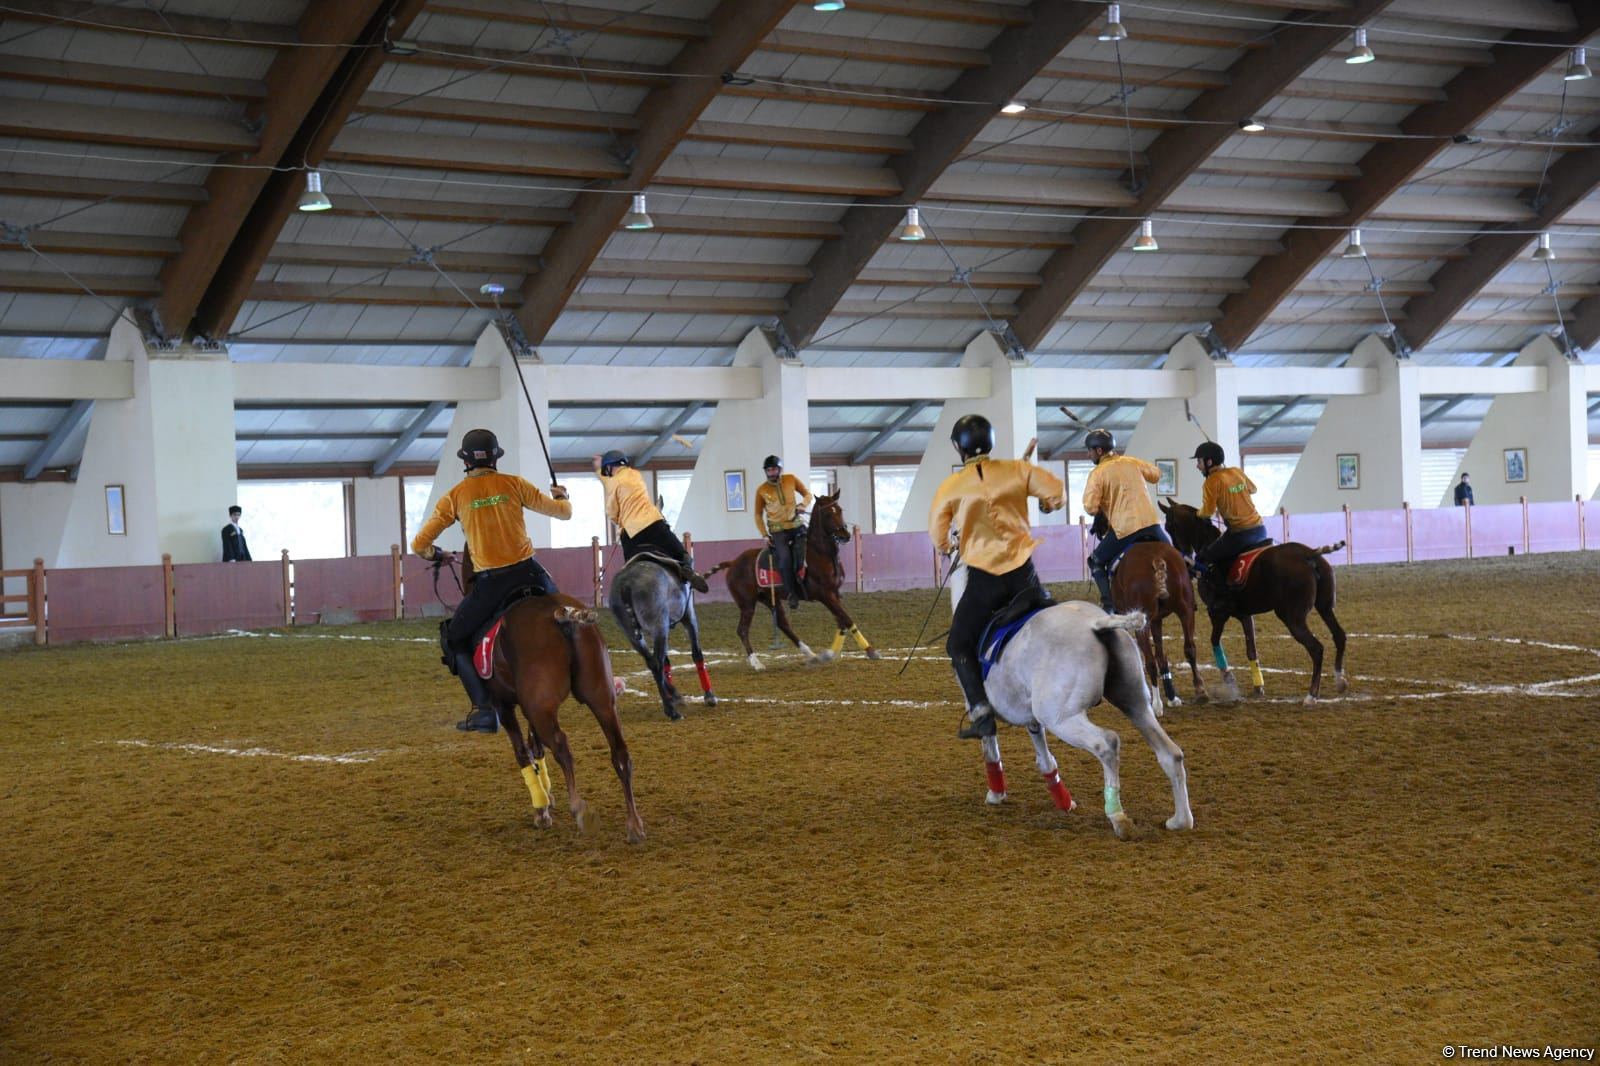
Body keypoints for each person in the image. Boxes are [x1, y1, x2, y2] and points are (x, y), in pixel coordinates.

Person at [412, 428, 572, 734]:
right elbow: (563, 514)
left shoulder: (456, 496)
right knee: (569, 618)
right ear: (496, 458)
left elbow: (419, 544)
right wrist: (562, 496)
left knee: (453, 638)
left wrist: (437, 554)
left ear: (466, 462)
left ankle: (484, 710)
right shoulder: (514, 484)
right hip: (530, 571)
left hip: (492, 584)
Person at [929, 414, 1065, 740]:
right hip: (1025, 576)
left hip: (984, 581)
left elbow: (938, 532)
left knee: (958, 643)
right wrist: (1047, 504)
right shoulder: (1017, 470)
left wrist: (948, 546)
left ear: (958, 448)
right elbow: (1056, 493)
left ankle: (980, 711)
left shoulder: (951, 486)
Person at [594, 450, 708, 592]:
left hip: (631, 533)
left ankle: (629, 596)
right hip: (654, 524)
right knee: (681, 553)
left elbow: (612, 511)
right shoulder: (636, 475)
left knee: (629, 571)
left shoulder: (612, 482)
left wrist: (619, 520)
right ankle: (689, 572)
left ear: (609, 467)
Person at [1082, 429, 1169, 612]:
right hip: (1152, 524)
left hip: (1125, 530)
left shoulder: (1097, 473)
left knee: (1096, 561)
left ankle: (1108, 605)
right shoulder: (1132, 461)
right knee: (1174, 554)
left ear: (1099, 451)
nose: (1088, 454)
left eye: (1090, 450)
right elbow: (1156, 474)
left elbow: (1090, 508)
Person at [1190, 442, 1271, 593]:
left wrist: (1197, 513)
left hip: (1240, 535)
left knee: (1203, 557)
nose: (1197, 466)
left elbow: (1207, 512)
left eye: (1199, 461)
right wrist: (1234, 486)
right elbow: (1253, 489)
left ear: (1209, 462)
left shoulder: (1211, 482)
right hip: (1261, 529)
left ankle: (1222, 597)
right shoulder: (1236, 471)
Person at [753, 455, 812, 609]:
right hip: (778, 531)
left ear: (779, 469)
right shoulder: (761, 490)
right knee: (784, 559)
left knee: (812, 547)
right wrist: (764, 534)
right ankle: (791, 593)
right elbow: (758, 514)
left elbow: (807, 494)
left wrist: (803, 505)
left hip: (797, 525)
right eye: (769, 470)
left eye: (774, 469)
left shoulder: (791, 479)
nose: (771, 473)